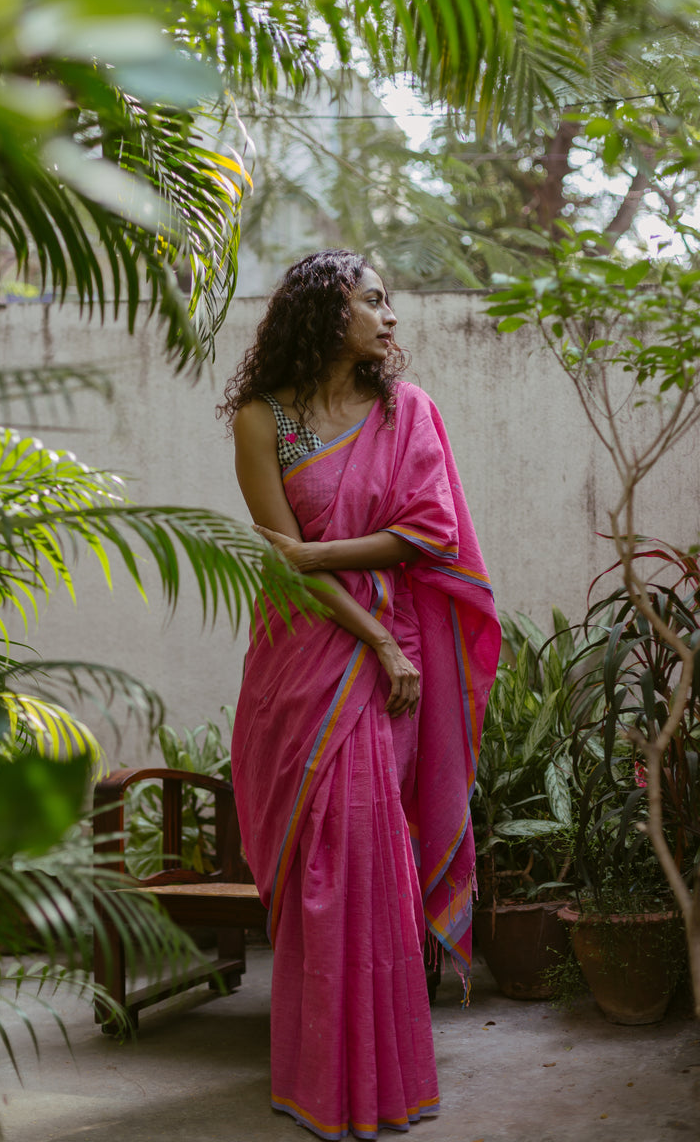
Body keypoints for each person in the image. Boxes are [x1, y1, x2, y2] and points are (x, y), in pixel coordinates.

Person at [219, 250, 500, 1140]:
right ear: (322, 313)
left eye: (388, 300)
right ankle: (318, 1078)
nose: (389, 315)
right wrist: (373, 636)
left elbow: (426, 534)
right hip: (310, 657)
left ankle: (385, 1077)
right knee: (320, 876)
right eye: (370, 299)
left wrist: (319, 556)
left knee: (372, 865)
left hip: (387, 665)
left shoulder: (402, 411)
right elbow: (280, 560)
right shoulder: (268, 421)